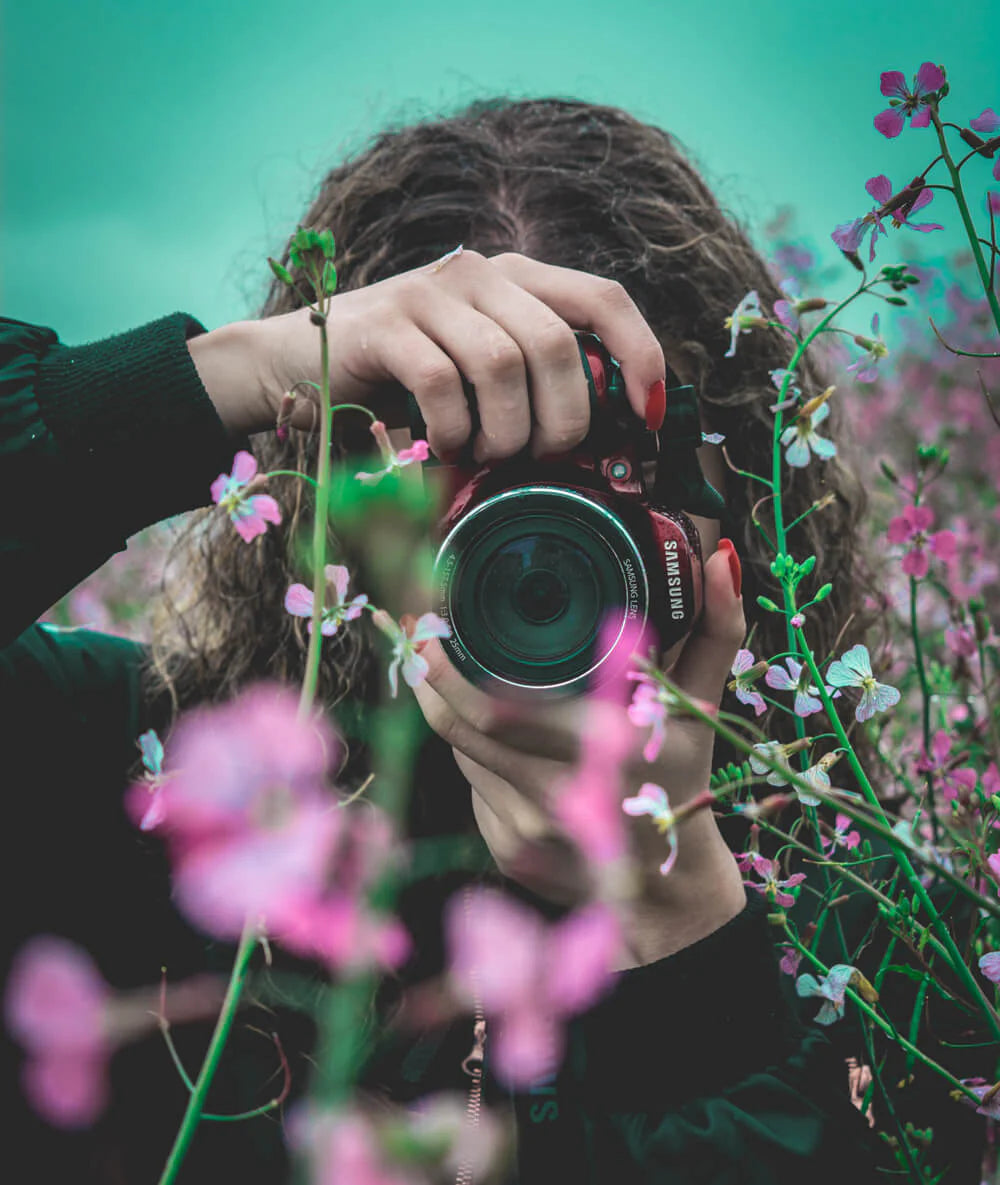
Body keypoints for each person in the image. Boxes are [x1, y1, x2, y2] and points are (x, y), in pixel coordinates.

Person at [1, 97, 899, 1183]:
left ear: (737, 483)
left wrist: (686, 922)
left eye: (610, 464)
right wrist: (225, 377)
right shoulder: (136, 775)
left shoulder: (877, 923)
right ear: (316, 479)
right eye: (449, 458)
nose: (528, 538)